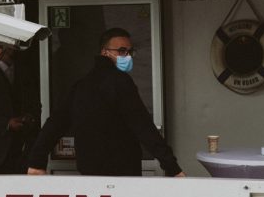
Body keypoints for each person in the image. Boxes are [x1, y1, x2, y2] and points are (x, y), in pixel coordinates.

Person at [26, 27, 185, 177]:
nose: (127, 56)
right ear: (104, 52)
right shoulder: (120, 83)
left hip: (89, 170)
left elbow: (55, 123)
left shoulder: (82, 84)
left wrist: (36, 162)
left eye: (130, 51)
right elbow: (143, 125)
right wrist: (172, 168)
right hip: (122, 172)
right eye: (122, 51)